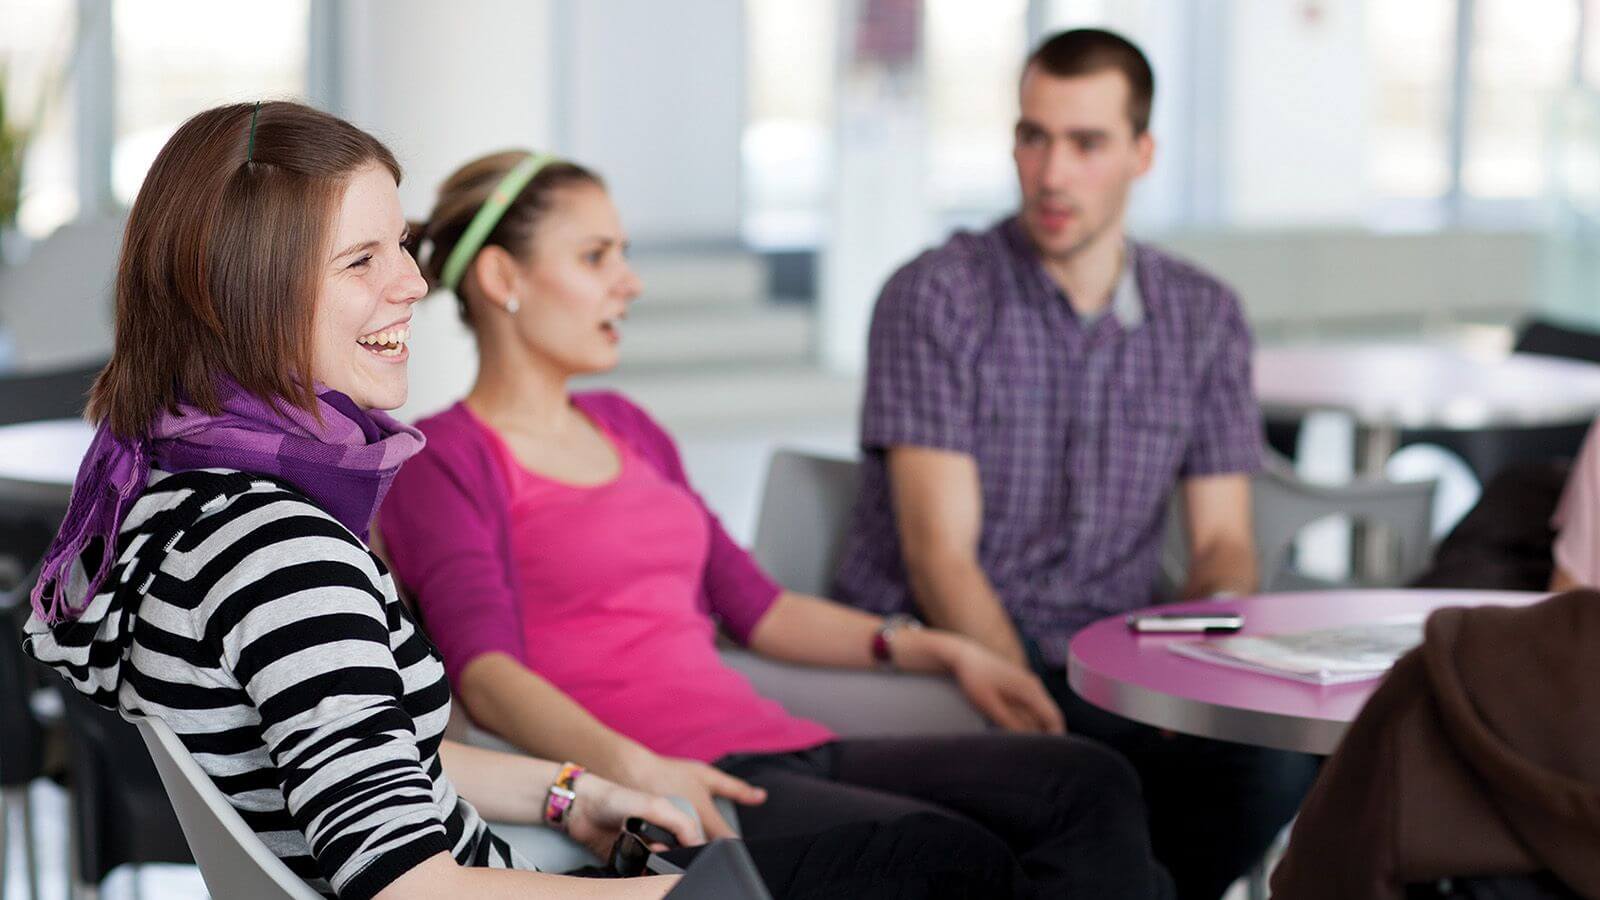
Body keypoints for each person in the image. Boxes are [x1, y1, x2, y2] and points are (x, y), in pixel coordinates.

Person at [20, 101, 1022, 900]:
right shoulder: (283, 552)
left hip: (527, 842)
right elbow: (403, 878)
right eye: (362, 261)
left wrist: (572, 791)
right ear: (250, 296)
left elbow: (379, 763)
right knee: (948, 864)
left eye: (402, 247)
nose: (414, 283)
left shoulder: (173, 501)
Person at [378, 149, 1173, 900]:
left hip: (780, 743)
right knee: (955, 856)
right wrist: (636, 771)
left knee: (1086, 779)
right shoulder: (445, 459)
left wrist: (945, 649)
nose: (631, 283)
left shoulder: (627, 425)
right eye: (596, 258)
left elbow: (761, 607)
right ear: (500, 276)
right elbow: (487, 676)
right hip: (672, 775)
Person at [829, 29, 1317, 900]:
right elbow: (941, 556)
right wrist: (1028, 695)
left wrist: (1195, 669)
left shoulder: (1202, 315)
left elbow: (1222, 543)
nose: (1052, 173)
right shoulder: (937, 295)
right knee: (1096, 781)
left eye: (1086, 143)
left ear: (1141, 153)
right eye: (1033, 136)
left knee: (1279, 766)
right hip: (958, 647)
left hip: (1113, 653)